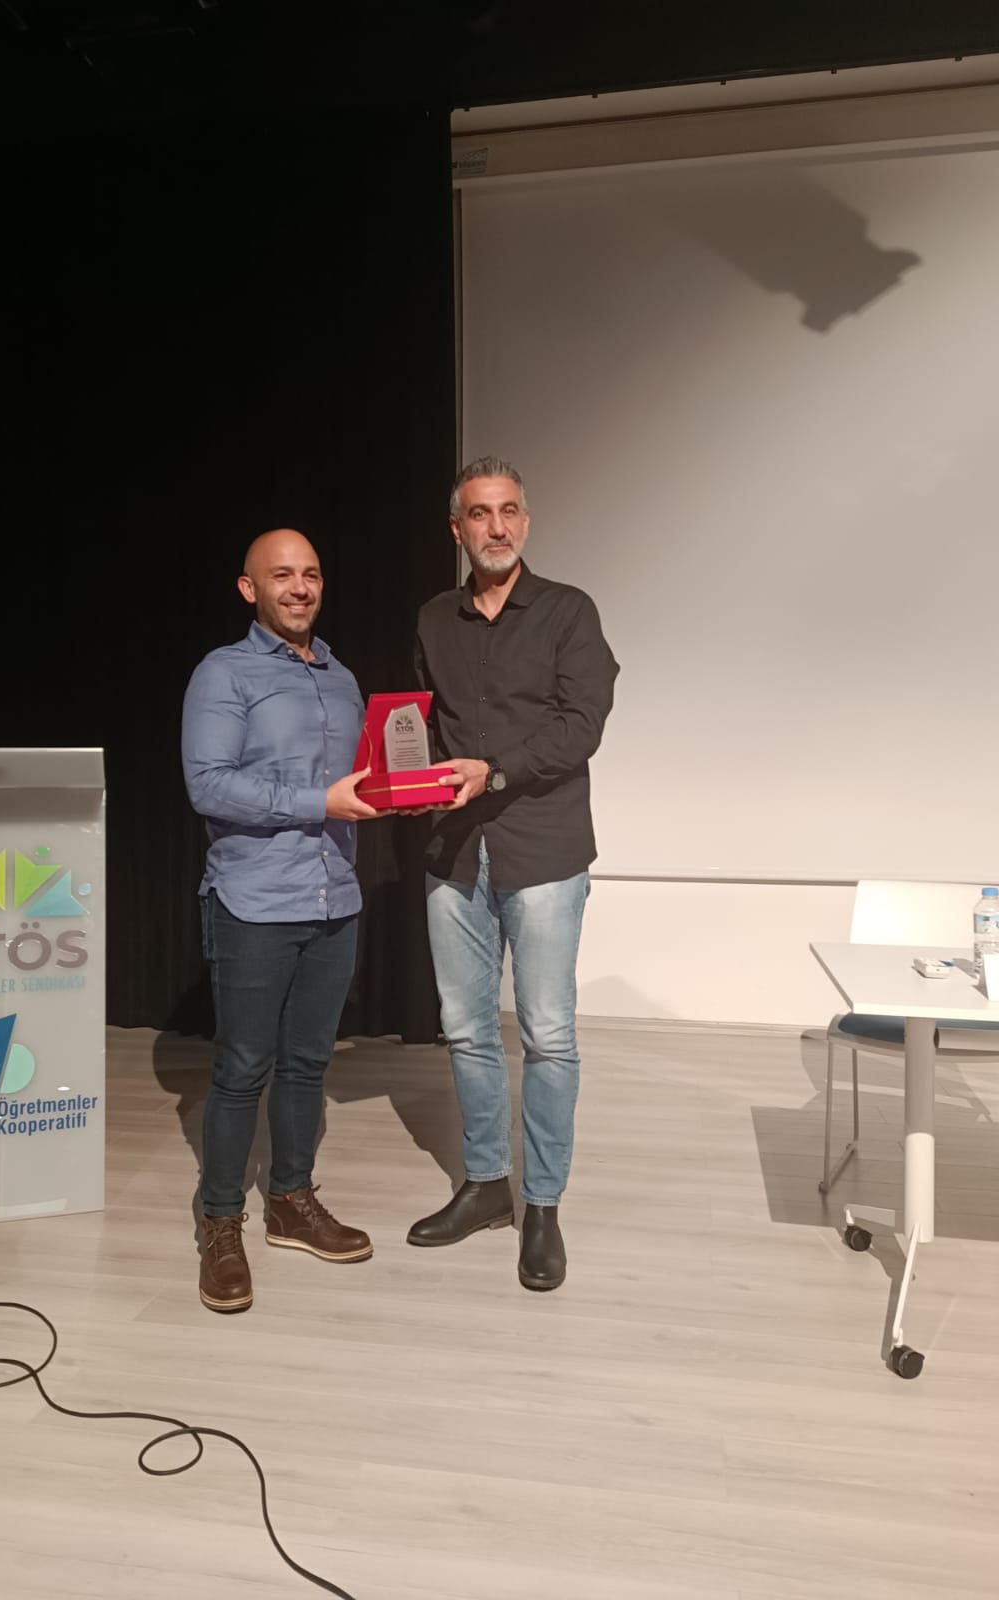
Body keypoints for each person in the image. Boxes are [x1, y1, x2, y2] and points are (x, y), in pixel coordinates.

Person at [407, 456, 618, 1290]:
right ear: (456, 529)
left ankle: (543, 1207)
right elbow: (423, 725)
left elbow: (581, 725)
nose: (495, 527)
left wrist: (492, 772)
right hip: (454, 851)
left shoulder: (569, 612)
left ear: (525, 522)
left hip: (543, 851)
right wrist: (409, 782)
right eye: (478, 514)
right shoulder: (434, 618)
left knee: (548, 1035)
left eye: (508, 511)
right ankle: (487, 1185)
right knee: (465, 1029)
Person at [182, 528, 378, 1313]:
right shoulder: (223, 673)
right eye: (283, 575)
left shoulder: (342, 676)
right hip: (254, 901)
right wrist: (317, 802)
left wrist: (402, 790)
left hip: (335, 898)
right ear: (249, 588)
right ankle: (220, 1221)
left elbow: (362, 781)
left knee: (308, 1065)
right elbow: (208, 784)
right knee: (242, 1069)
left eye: (312, 574)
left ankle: (292, 1200)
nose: (300, 587)